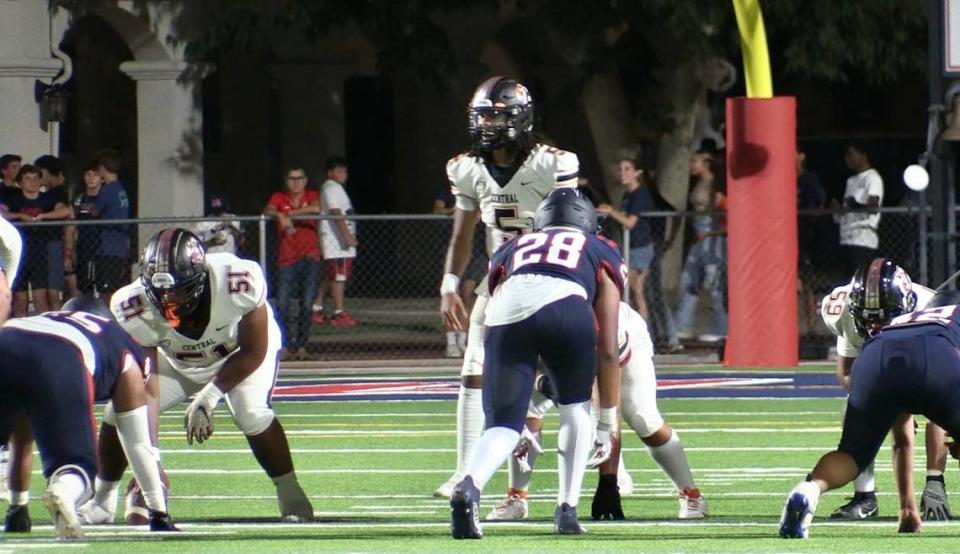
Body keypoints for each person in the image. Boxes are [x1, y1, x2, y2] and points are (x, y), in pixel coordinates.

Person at [77, 228, 313, 525]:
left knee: (250, 412)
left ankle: (291, 495)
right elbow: (144, 389)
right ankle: (102, 500)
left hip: (236, 354)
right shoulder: (132, 305)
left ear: (200, 277)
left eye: (178, 290)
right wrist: (151, 466)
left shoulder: (237, 280)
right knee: (120, 411)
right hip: (176, 360)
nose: (169, 300)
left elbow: (254, 351)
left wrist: (208, 397)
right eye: (160, 292)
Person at [449, 188, 623, 539]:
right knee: (576, 411)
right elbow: (607, 347)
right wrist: (606, 420)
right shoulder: (600, 248)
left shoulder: (512, 246)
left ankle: (469, 486)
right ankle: (566, 510)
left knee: (501, 425)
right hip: (566, 309)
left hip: (503, 317)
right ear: (586, 221)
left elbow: (502, 302)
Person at [436, 76, 580, 498]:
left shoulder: (553, 163)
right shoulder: (465, 168)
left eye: (496, 115)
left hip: (551, 275)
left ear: (519, 116)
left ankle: (612, 463)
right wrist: (449, 284)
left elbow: (570, 229)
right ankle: (464, 471)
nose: (487, 124)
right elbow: (461, 236)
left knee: (575, 375)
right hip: (500, 278)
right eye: (482, 115)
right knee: (472, 370)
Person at [485, 300, 707, 522]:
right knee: (525, 410)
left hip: (613, 340)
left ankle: (690, 492)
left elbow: (608, 403)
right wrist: (544, 384)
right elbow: (507, 366)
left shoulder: (602, 323)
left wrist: (608, 482)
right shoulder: (513, 307)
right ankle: (517, 496)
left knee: (642, 417)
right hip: (548, 342)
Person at [780, 286, 960, 538]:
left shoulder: (904, 320)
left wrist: (906, 508)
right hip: (936, 356)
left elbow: (902, 440)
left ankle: (808, 490)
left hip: (875, 353)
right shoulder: (950, 320)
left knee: (851, 455)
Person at [0, 296, 176, 539]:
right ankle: (64, 490)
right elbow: (137, 442)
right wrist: (158, 511)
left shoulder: (41, 319)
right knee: (79, 466)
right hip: (63, 354)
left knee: (18, 432)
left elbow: (21, 438)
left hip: (7, 337)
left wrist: (17, 508)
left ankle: (16, 508)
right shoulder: (115, 336)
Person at [819, 258, 949, 521]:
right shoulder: (842, 310)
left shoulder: (934, 311)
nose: (877, 328)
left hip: (926, 366)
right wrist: (883, 400)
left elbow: (947, 385)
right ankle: (864, 497)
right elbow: (846, 373)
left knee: (943, 408)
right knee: (852, 405)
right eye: (869, 320)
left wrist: (908, 398)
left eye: (886, 319)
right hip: (884, 369)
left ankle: (935, 482)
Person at [263, 167, 321, 361]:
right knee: (282, 302)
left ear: (305, 181)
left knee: (307, 304)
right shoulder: (279, 197)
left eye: (299, 178)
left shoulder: (312, 195)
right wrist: (280, 215)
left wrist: (290, 214)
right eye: (291, 179)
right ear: (286, 181)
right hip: (287, 257)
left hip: (310, 256)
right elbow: (268, 209)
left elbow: (316, 208)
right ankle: (287, 345)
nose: (296, 182)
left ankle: (303, 346)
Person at [2, 164, 72, 316]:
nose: (32, 182)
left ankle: (47, 332)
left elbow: (65, 210)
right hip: (19, 254)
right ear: (20, 183)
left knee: (40, 296)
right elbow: (3, 213)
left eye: (36, 178)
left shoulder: (47, 199)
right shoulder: (14, 200)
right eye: (27, 178)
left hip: (40, 253)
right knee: (20, 298)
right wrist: (21, 216)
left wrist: (43, 216)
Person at [675, 150, 727, 342]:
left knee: (715, 284)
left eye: (695, 161)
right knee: (688, 280)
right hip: (698, 238)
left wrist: (713, 232)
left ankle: (721, 328)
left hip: (712, 240)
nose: (691, 165)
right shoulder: (698, 183)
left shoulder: (716, 185)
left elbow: (724, 210)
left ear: (706, 163)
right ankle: (682, 325)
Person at [597, 158, 656, 322]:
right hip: (630, 246)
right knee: (630, 290)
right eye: (620, 169)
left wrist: (611, 211)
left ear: (637, 173)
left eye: (627, 169)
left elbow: (630, 222)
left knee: (636, 291)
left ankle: (644, 331)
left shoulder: (640, 194)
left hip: (641, 247)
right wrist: (609, 210)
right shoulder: (627, 195)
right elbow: (623, 216)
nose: (622, 173)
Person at [433, 187, 487, 357]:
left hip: (477, 251)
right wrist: (456, 211)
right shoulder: (449, 193)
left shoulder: (481, 191)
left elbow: (482, 214)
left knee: (467, 294)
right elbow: (437, 210)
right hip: (455, 252)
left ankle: (463, 340)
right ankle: (451, 342)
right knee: (451, 294)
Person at [72, 155, 131, 304]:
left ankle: (107, 319)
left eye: (98, 171)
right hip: (118, 246)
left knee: (106, 290)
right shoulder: (120, 188)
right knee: (110, 286)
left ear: (103, 170)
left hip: (107, 247)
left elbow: (95, 212)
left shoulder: (108, 190)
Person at [312, 156, 358, 327]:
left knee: (330, 276)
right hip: (336, 242)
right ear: (330, 173)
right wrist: (346, 236)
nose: (343, 174)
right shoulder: (331, 188)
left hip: (339, 242)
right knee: (339, 276)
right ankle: (339, 312)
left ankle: (315, 307)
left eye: (344, 171)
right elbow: (336, 212)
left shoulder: (337, 188)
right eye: (339, 171)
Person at [833, 143, 883, 277]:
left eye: (851, 155)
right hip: (846, 237)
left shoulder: (872, 177)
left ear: (863, 156)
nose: (848, 159)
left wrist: (856, 205)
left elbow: (873, 206)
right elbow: (848, 209)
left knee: (860, 280)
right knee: (847, 281)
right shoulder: (851, 180)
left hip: (863, 240)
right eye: (846, 156)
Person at [34, 154, 74, 302]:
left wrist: (42, 217)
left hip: (55, 244)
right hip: (45, 245)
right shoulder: (46, 194)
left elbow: (66, 212)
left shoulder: (58, 194)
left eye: (40, 172)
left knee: (54, 291)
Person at [797, 148, 827, 333]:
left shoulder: (809, 180)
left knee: (808, 285)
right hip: (783, 239)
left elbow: (819, 203)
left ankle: (811, 327)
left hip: (806, 237)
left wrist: (813, 218)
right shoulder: (781, 178)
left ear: (801, 155)